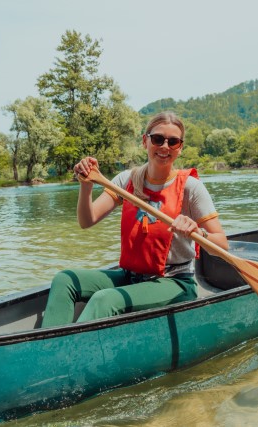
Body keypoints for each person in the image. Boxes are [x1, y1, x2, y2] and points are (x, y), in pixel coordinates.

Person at [40, 112, 228, 328]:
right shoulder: (126, 180)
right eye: (158, 139)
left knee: (105, 299)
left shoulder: (191, 188)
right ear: (145, 141)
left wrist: (198, 232)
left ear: (180, 148)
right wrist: (86, 185)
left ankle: (63, 353)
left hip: (174, 281)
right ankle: (46, 347)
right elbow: (87, 220)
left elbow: (222, 244)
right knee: (65, 280)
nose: (165, 146)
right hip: (131, 277)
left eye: (173, 141)